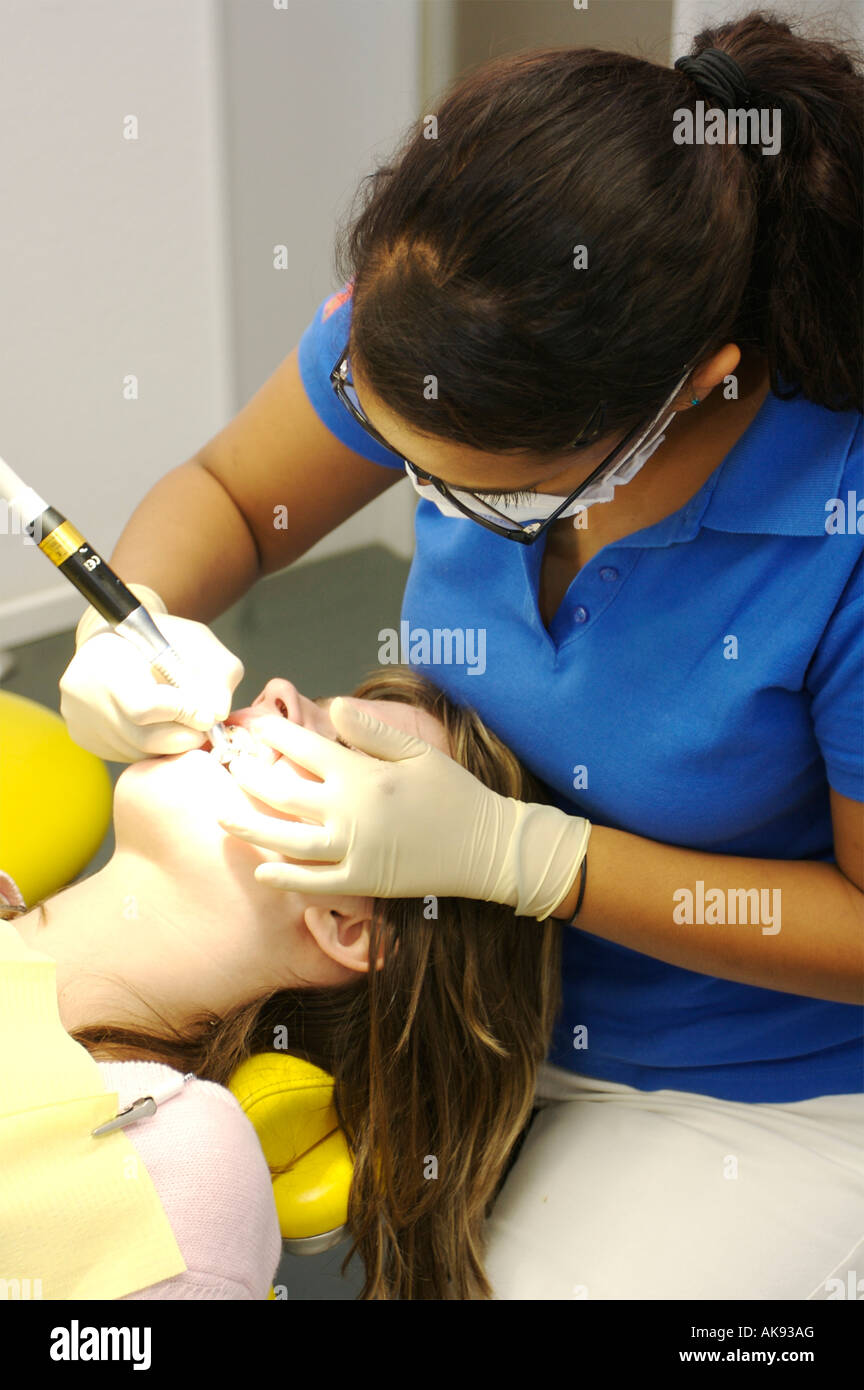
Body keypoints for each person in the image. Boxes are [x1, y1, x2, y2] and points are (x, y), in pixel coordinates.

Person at [57, 11, 862, 1298]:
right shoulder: (433, 322)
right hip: (472, 1006)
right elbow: (228, 490)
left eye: (477, 490)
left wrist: (525, 857)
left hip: (759, 1083)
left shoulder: (843, 533)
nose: (409, 490)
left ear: (693, 384)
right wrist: (135, 607)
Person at [7, 669, 564, 1300]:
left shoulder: (181, 1166)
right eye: (321, 708)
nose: (276, 691)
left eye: (352, 754)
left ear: (350, 927)